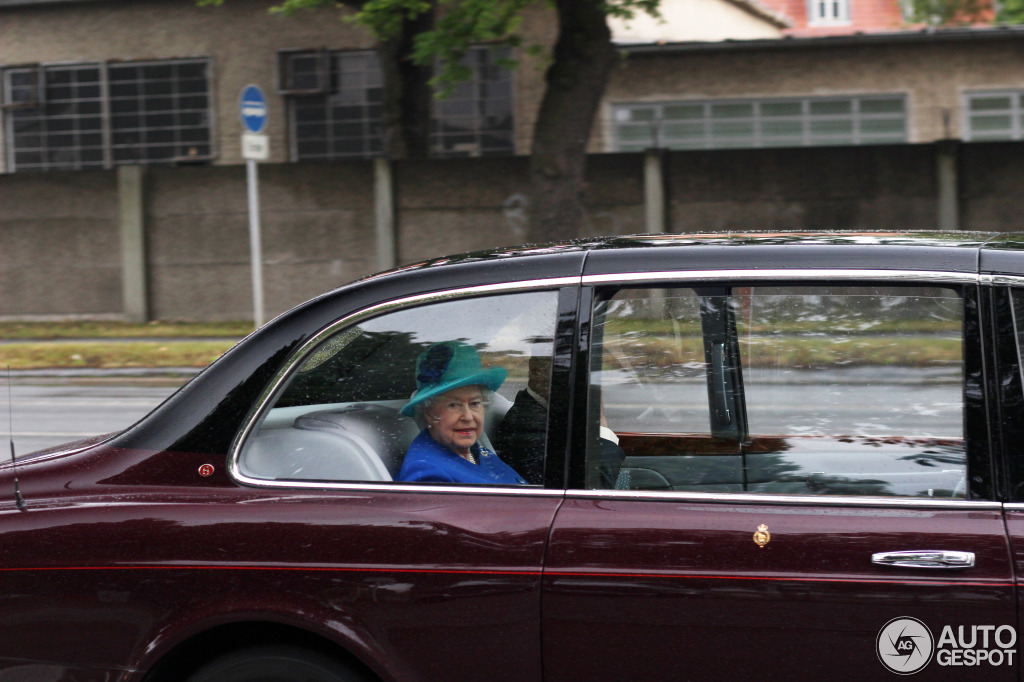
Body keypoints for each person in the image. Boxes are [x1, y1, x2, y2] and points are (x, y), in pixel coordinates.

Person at [397, 341, 526, 485]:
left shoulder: (473, 449)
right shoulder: (429, 476)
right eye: (453, 405)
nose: (468, 416)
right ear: (429, 412)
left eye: (475, 403)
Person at [494, 353, 626, 487]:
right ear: (535, 370)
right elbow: (592, 491)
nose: (585, 383)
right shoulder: (527, 425)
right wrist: (599, 426)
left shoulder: (555, 414)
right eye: (571, 371)